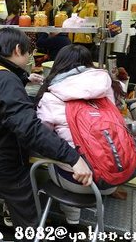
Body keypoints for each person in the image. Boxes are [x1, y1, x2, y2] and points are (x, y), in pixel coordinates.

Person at [0, 27, 91, 242]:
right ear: (17, 50)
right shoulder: (6, 81)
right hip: (1, 166)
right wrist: (72, 157)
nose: (28, 59)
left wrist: (24, 77)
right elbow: (29, 128)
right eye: (28, 54)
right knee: (30, 214)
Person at [35, 44, 120, 224]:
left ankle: (72, 218)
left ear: (58, 65)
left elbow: (43, 137)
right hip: (114, 177)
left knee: (56, 152)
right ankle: (98, 213)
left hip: (76, 182)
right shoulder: (107, 87)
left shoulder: (52, 96)